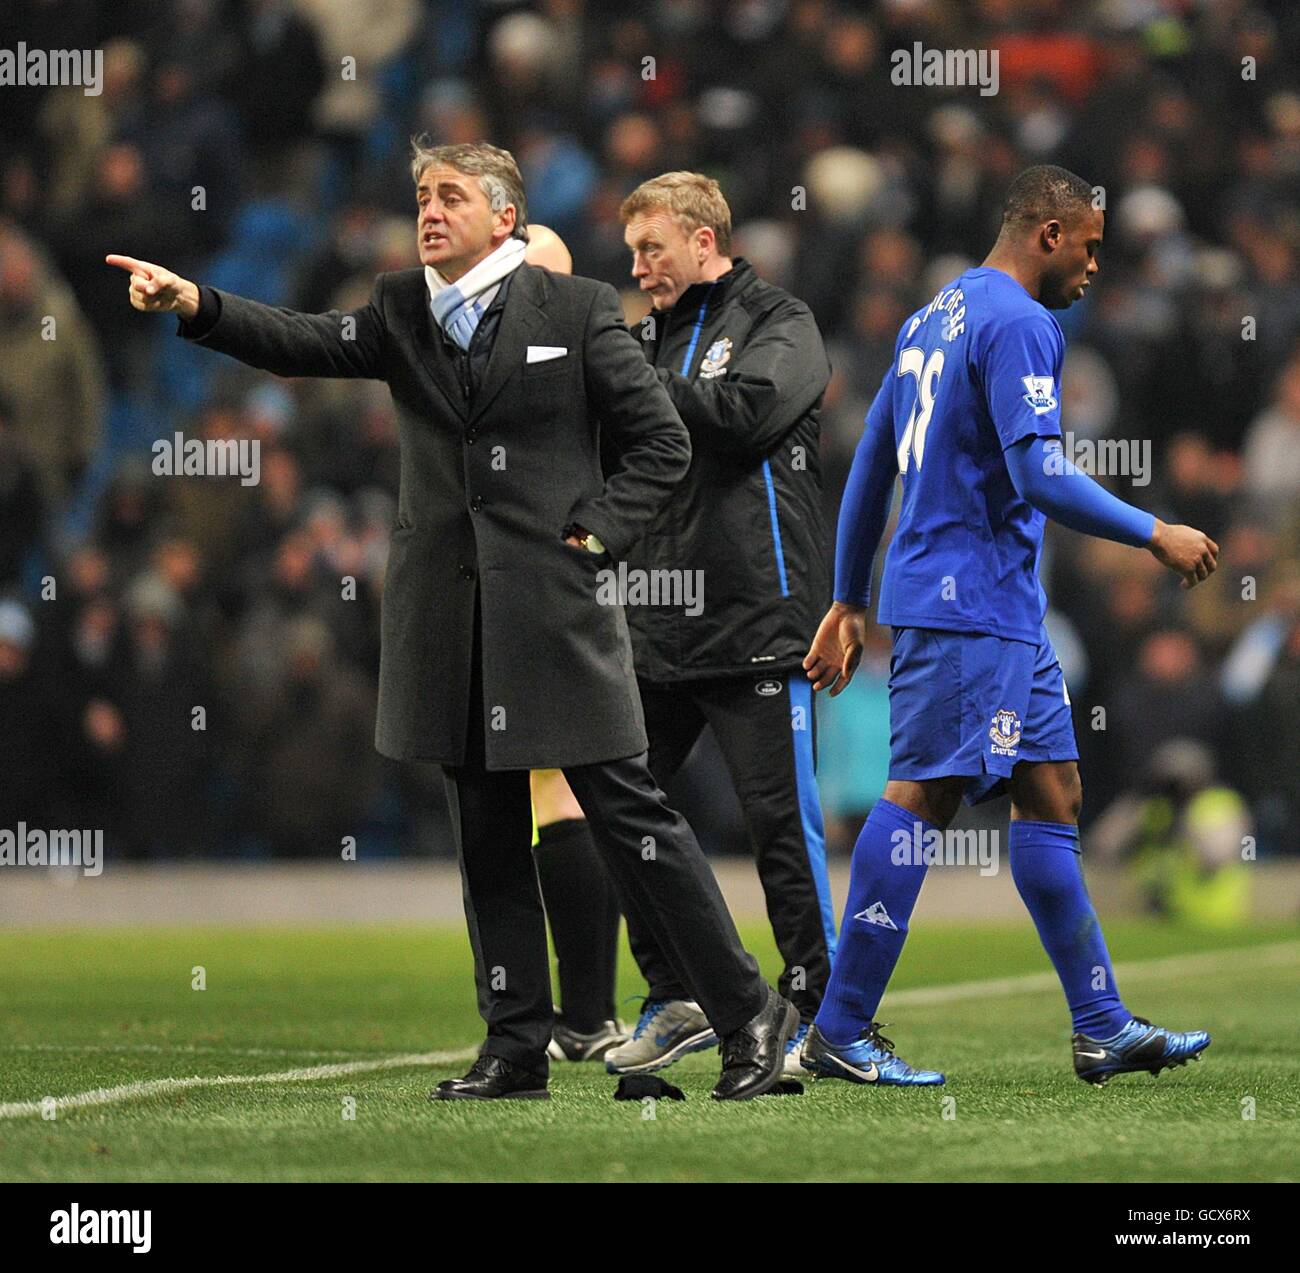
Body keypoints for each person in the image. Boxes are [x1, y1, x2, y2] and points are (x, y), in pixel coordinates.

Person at [107, 140, 799, 1102]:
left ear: (505, 217)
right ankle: (515, 1044)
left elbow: (664, 441)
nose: (429, 211)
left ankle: (747, 1016)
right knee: (482, 832)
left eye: (451, 197)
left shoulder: (580, 308)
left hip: (557, 613)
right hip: (448, 615)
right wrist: (197, 303)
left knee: (632, 815)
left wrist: (595, 539)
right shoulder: (400, 310)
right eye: (422, 197)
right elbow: (305, 340)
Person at [801, 165, 1219, 1087]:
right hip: (967, 600)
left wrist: (848, 595)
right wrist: (1155, 530)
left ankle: (1102, 1023)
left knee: (1053, 788)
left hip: (994, 607)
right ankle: (841, 1024)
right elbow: (1038, 475)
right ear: (1048, 234)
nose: (1097, 266)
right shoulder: (1023, 323)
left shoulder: (934, 314)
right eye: (1092, 246)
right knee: (924, 794)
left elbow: (873, 458)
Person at [595, 172, 836, 1079]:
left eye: (652, 248)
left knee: (780, 827)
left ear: (703, 240)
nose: (639, 267)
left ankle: (815, 1013)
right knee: (621, 809)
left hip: (759, 617)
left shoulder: (782, 320)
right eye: (631, 253)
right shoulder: (645, 336)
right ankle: (678, 994)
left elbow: (745, 415)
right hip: (657, 619)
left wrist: (635, 385)